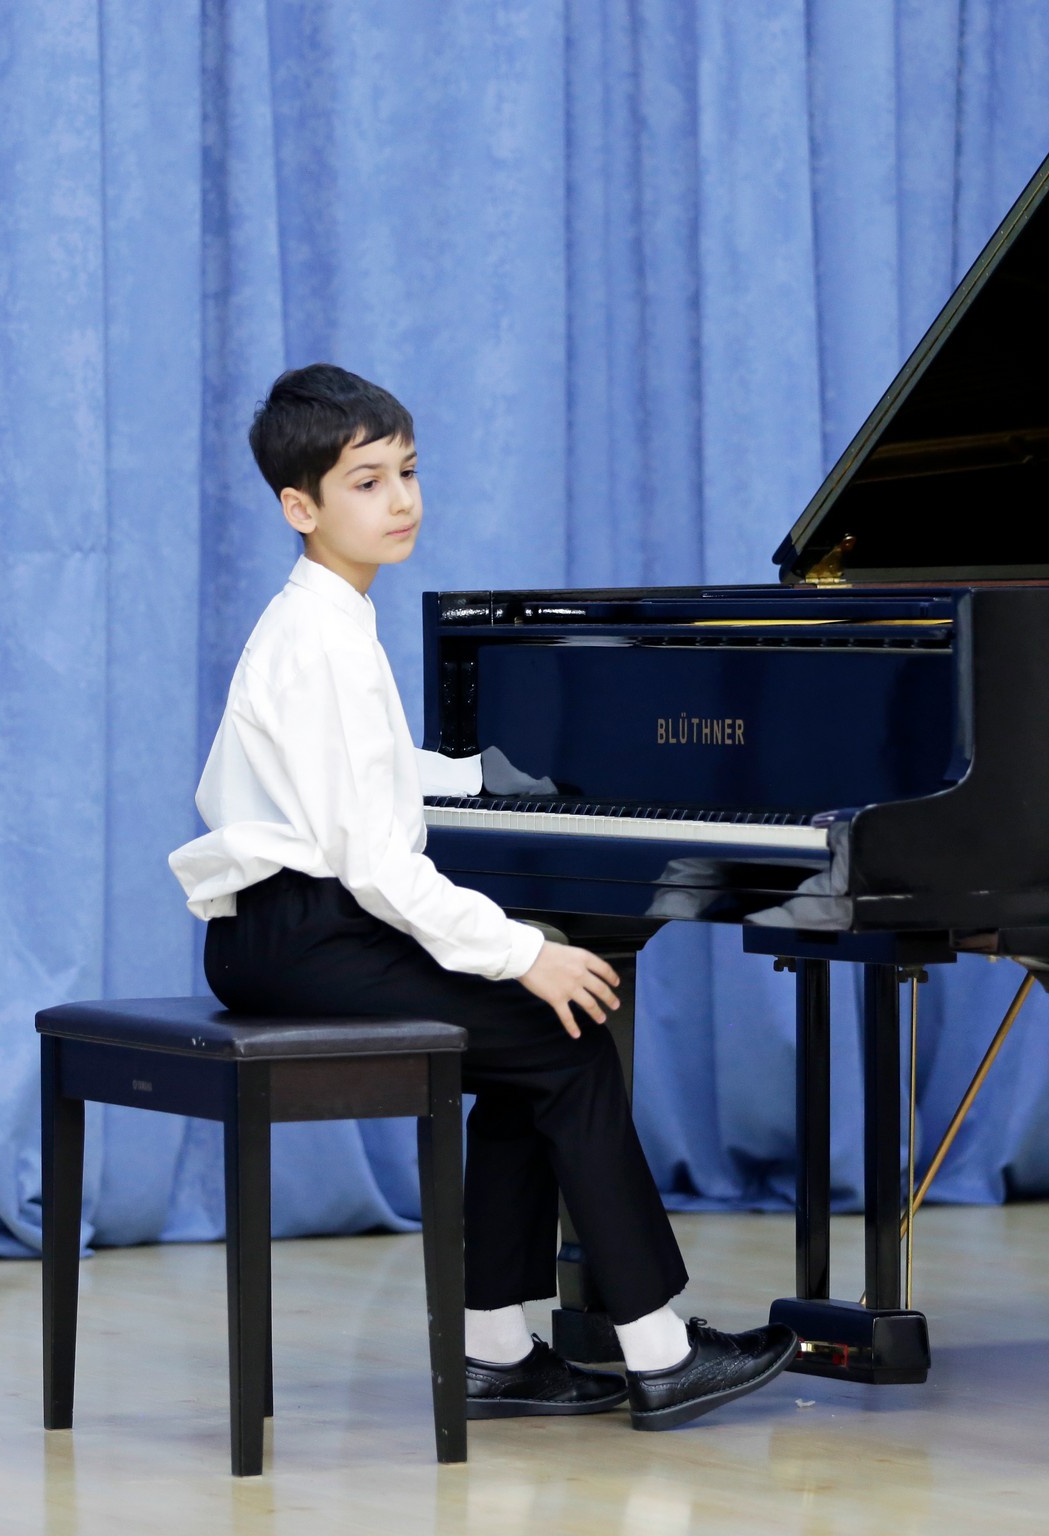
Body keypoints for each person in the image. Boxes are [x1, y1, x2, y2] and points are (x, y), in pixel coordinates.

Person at [169, 363, 797, 1430]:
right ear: (300, 507)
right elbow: (376, 864)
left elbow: (369, 778)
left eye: (407, 472)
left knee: (528, 1051)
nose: (400, 500)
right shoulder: (322, 642)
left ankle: (497, 1351)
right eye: (366, 481)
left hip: (286, 930)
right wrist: (522, 951)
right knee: (562, 1038)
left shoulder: (327, 619)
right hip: (300, 934)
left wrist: (489, 777)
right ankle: (660, 1352)